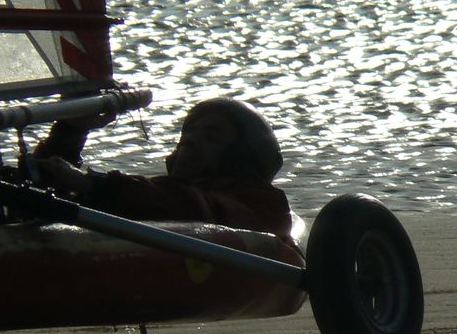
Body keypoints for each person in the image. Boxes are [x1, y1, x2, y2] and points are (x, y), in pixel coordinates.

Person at [30, 97, 292, 237]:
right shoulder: (160, 191)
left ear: (242, 155)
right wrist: (69, 133)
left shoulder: (265, 203)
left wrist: (97, 184)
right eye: (187, 134)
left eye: (211, 137)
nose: (189, 141)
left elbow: (195, 208)